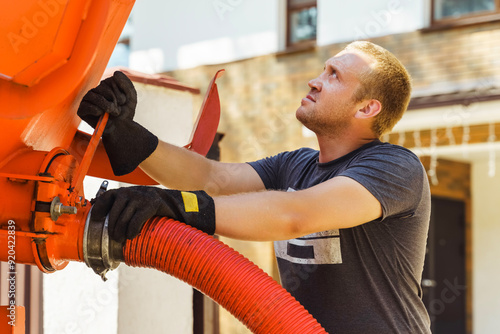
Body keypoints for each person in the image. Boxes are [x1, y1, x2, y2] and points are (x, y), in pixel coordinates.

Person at [78, 41, 431, 333]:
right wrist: (126, 135)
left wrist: (177, 206)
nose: (314, 81)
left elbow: (296, 214)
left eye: (334, 76)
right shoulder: (294, 165)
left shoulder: (394, 167)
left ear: (367, 107)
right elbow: (211, 179)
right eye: (323, 70)